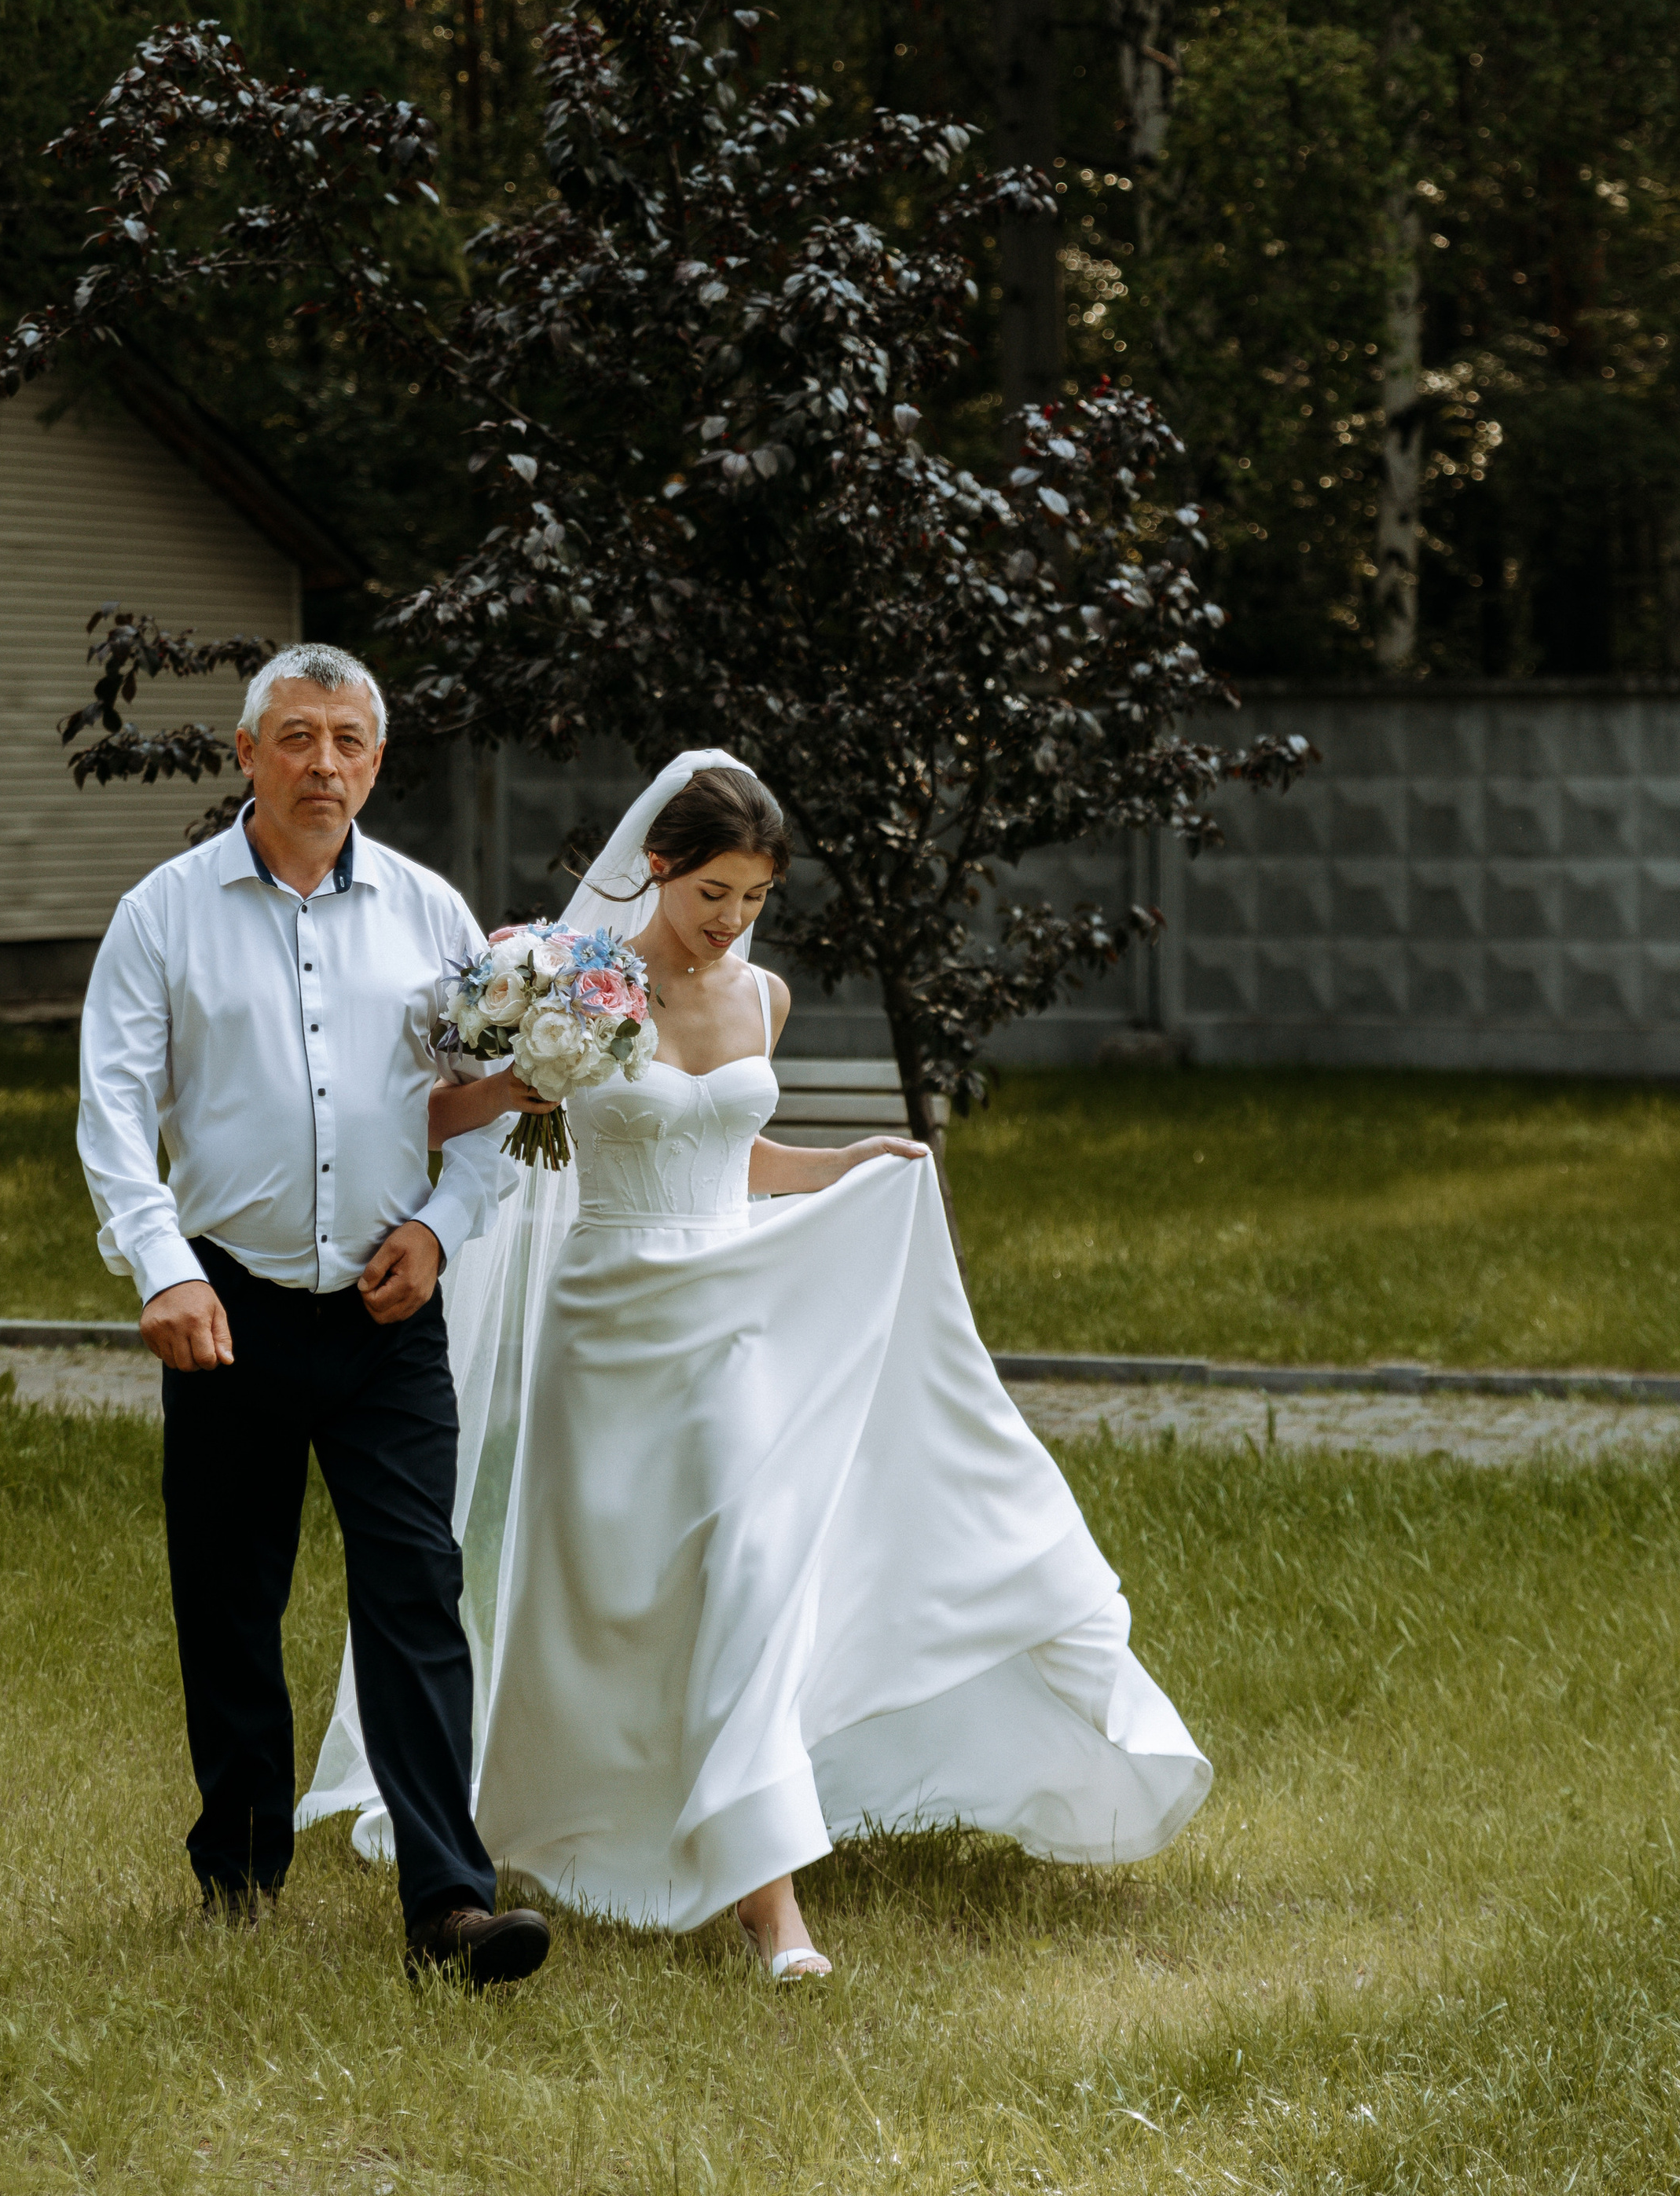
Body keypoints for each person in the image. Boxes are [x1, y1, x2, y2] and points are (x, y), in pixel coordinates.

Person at [299, 748, 1212, 1978]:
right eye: (713, 892)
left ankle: (772, 1909)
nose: (731, 921)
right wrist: (532, 1075)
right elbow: (434, 1110)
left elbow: (735, 1150)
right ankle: (559, 1817)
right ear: (657, 869)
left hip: (731, 1320)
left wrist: (845, 1169)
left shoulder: (763, 998)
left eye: (755, 898)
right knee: (611, 1606)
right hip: (609, 1318)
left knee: (745, 1565)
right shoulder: (574, 983)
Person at [76, 642, 553, 1992]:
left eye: (348, 741)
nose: (323, 764)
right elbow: (114, 1111)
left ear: (377, 762)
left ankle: (451, 1906)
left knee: (417, 1592)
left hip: (389, 1314)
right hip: (227, 1302)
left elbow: (485, 1099)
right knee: (231, 1596)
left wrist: (440, 1231)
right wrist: (163, 1266)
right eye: (296, 737)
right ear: (246, 754)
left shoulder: (432, 916)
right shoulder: (162, 914)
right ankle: (236, 1870)